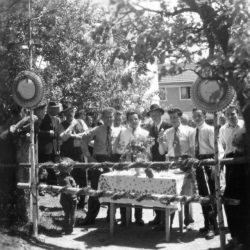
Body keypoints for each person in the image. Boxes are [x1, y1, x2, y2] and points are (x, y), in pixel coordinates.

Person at [80, 107, 122, 225]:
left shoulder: (119, 130)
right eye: (107, 117)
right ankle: (90, 218)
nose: (109, 119)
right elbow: (83, 140)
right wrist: (89, 157)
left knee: (113, 189)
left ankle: (111, 217)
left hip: (113, 161)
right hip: (98, 160)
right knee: (95, 189)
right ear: (102, 118)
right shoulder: (97, 129)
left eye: (111, 117)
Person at [158, 107, 194, 231]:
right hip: (172, 163)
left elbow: (192, 150)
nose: (173, 120)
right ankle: (167, 223)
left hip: (185, 162)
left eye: (175, 117)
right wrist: (160, 142)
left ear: (180, 117)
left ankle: (188, 221)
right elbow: (163, 151)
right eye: (171, 118)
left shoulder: (190, 131)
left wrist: (190, 164)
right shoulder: (167, 132)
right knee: (170, 192)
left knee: (186, 193)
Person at [114, 110, 149, 226]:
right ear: (127, 121)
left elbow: (147, 151)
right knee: (125, 190)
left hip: (139, 165)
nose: (133, 121)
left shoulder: (145, 133)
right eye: (131, 119)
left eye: (135, 119)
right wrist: (125, 150)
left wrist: (140, 153)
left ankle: (138, 217)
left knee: (138, 190)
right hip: (126, 165)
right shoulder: (123, 132)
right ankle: (124, 217)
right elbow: (118, 149)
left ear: (139, 120)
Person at [219, 105, 247, 249]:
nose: (232, 116)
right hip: (230, 162)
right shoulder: (223, 129)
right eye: (228, 114)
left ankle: (243, 238)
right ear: (225, 116)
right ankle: (235, 235)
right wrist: (220, 164)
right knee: (230, 200)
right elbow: (222, 148)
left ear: (238, 114)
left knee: (242, 200)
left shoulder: (244, 126)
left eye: (234, 113)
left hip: (244, 164)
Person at [191, 108, 218, 239]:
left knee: (210, 194)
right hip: (198, 163)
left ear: (204, 116)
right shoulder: (194, 131)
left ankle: (213, 227)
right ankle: (207, 224)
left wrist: (214, 166)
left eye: (199, 116)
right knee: (203, 195)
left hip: (209, 163)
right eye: (194, 116)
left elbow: (218, 150)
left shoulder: (209, 129)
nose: (197, 118)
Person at [59, 103, 88, 209]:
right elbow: (64, 138)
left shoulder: (81, 122)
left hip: (80, 153)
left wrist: (73, 135)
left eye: (72, 110)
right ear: (65, 113)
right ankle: (71, 201)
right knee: (70, 177)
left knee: (83, 178)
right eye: (68, 111)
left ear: (75, 112)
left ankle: (82, 202)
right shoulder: (61, 124)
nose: (70, 113)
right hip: (67, 154)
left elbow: (86, 134)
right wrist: (72, 134)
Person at [147, 104, 171, 226]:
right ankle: (157, 216)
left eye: (156, 112)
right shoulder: (151, 128)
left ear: (161, 113)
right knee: (154, 189)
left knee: (166, 190)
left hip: (165, 161)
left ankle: (165, 220)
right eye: (151, 113)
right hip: (154, 162)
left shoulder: (168, 126)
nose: (153, 115)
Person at [57, 158, 77, 235]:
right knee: (71, 214)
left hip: (64, 199)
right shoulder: (66, 178)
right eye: (71, 167)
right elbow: (68, 189)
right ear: (67, 168)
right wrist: (75, 196)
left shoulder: (61, 176)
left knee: (67, 213)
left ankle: (66, 228)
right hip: (70, 199)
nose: (72, 168)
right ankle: (69, 229)